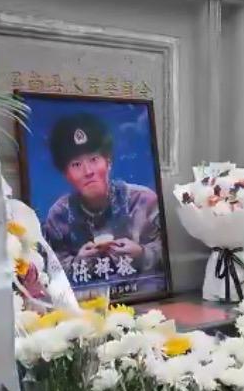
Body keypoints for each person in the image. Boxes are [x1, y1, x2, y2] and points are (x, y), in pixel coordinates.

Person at [41, 112, 164, 283]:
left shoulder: (143, 201)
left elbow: (168, 254)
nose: (88, 172)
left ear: (108, 162)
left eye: (94, 159)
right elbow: (51, 271)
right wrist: (78, 263)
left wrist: (142, 254)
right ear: (66, 174)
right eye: (76, 164)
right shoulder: (59, 215)